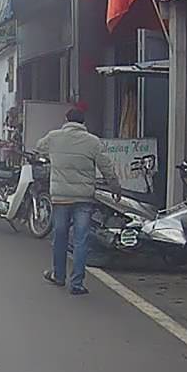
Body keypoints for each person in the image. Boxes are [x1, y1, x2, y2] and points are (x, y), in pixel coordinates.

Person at [34, 108, 121, 296]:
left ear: (66, 120)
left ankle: (58, 275)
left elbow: (38, 147)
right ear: (83, 123)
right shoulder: (93, 141)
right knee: (81, 240)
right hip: (84, 198)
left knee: (60, 236)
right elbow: (106, 166)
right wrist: (115, 187)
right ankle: (77, 284)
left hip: (60, 197)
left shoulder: (54, 137)